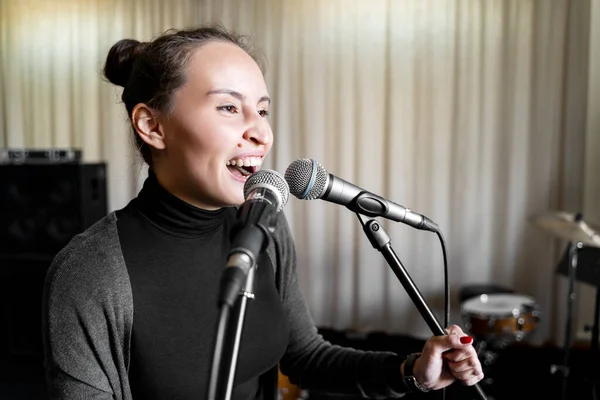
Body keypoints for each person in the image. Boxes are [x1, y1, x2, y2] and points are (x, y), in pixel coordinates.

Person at [41, 24, 484, 400]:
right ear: (153, 126)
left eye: (263, 111)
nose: (261, 133)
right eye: (230, 107)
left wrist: (410, 370)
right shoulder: (90, 272)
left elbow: (306, 356)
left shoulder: (262, 222)